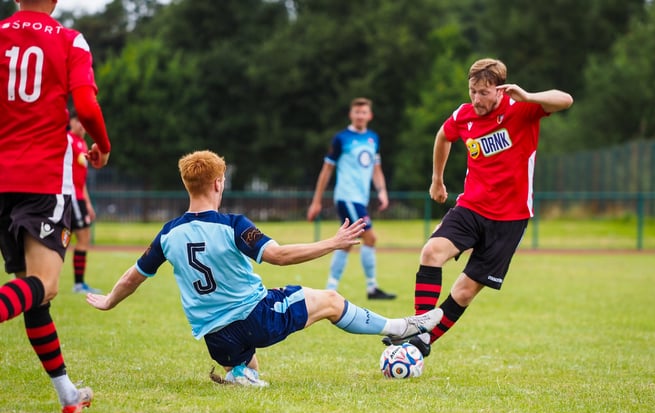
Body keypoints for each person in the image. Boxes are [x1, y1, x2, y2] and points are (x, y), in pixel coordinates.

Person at [86, 150, 442, 387]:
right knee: (331, 301)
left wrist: (108, 302)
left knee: (248, 369)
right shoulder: (233, 224)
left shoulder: (167, 234)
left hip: (216, 338)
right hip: (257, 317)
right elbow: (280, 255)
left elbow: (134, 276)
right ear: (218, 183)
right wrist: (332, 243)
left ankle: (240, 373)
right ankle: (401, 327)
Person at [383, 58, 573, 357]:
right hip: (471, 207)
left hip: (510, 220)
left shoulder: (521, 109)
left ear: (499, 90)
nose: (476, 98)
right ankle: (418, 326)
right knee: (431, 253)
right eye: (473, 90)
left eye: (484, 92)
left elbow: (566, 100)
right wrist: (437, 179)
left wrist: (529, 96)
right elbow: (444, 136)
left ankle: (422, 342)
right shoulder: (464, 114)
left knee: (464, 292)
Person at [0, 0, 112, 413]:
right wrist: (104, 144)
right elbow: (85, 107)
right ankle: (66, 393)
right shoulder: (70, 40)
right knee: (43, 285)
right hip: (41, 180)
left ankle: (68, 394)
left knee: (32, 295)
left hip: (2, 179)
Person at [307, 97, 396, 300]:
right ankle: (372, 288)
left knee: (346, 242)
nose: (360, 115)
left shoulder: (373, 138)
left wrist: (382, 191)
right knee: (370, 238)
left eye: (364, 112)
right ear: (351, 114)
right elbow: (326, 170)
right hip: (347, 197)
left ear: (370, 115)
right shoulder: (341, 138)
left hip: (360, 199)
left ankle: (331, 287)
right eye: (357, 112)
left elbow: (376, 169)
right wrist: (316, 201)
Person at [68, 113, 101, 294]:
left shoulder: (83, 144)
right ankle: (78, 284)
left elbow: (82, 181)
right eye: (79, 121)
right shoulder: (68, 140)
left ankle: (79, 283)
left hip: (79, 196)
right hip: (71, 196)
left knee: (72, 238)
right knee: (80, 238)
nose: (82, 126)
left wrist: (88, 203)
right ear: (71, 122)